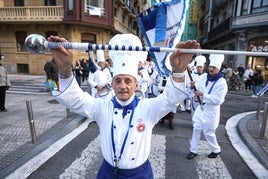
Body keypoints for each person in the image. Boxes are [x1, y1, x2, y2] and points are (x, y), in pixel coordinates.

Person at [48, 33, 200, 178]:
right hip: (108, 173)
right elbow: (75, 100)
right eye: (118, 80)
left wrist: (179, 71)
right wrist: (65, 70)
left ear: (136, 84)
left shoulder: (147, 108)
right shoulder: (103, 108)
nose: (122, 86)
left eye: (128, 81)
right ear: (112, 84)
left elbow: (170, 99)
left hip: (139, 175)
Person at [187, 54, 228, 160]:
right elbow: (197, 89)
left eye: (214, 68)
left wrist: (203, 95)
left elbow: (218, 100)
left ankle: (216, 150)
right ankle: (193, 150)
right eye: (210, 67)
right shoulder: (204, 77)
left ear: (218, 69)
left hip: (211, 111)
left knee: (209, 132)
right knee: (196, 128)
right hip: (201, 108)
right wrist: (192, 87)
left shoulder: (222, 83)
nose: (211, 69)